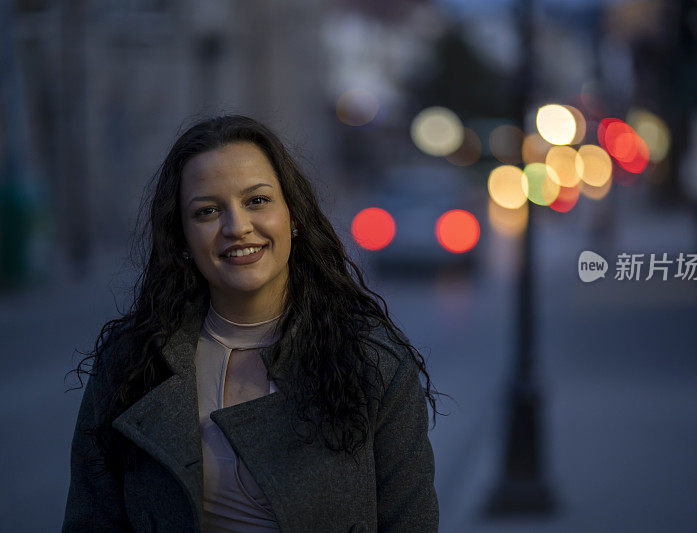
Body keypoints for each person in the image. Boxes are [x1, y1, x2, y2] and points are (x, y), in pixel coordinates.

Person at [63, 115, 442, 532]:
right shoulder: (131, 363)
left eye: (257, 201)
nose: (237, 227)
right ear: (183, 238)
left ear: (293, 216)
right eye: (207, 211)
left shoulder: (374, 363)